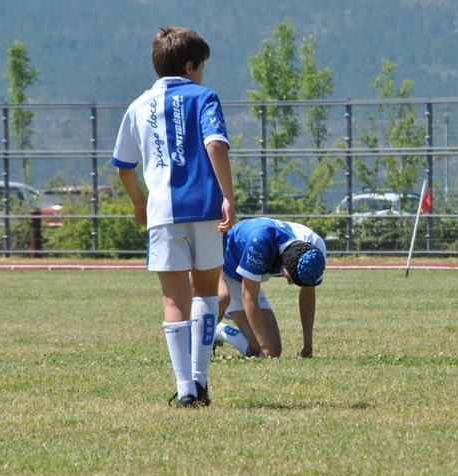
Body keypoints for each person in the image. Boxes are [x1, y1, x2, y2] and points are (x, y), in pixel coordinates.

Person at [111, 27, 235, 407]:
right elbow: (215, 145)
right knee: (206, 292)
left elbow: (123, 166)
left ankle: (184, 390)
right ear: (191, 65)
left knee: (174, 298)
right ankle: (201, 381)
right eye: (202, 67)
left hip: (163, 212)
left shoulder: (138, 105)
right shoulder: (204, 97)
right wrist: (228, 197)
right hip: (205, 208)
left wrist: (138, 202)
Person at [213, 217, 326, 358]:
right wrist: (265, 348)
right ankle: (211, 332)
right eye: (290, 278)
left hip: (248, 276)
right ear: (284, 263)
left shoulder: (315, 248)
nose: (289, 283)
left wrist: (307, 346)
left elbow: (308, 293)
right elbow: (249, 296)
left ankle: (218, 330)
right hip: (225, 266)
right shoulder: (260, 242)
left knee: (274, 351)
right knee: (259, 349)